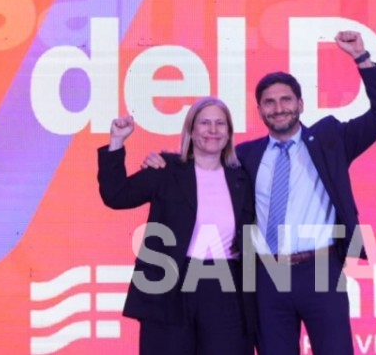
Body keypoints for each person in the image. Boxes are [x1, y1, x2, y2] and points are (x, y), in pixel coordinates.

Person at [240, 30, 376, 355]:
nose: (278, 108)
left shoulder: (330, 140)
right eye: (269, 102)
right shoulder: (246, 155)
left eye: (286, 100)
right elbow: (201, 164)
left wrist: (362, 58)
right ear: (260, 110)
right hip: (267, 276)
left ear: (300, 104)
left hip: (320, 271)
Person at [98, 97, 257, 355]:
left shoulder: (245, 176)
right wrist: (116, 141)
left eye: (220, 124)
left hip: (226, 289)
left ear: (229, 133)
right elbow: (116, 195)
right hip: (169, 287)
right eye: (204, 123)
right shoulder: (166, 169)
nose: (213, 130)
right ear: (191, 130)